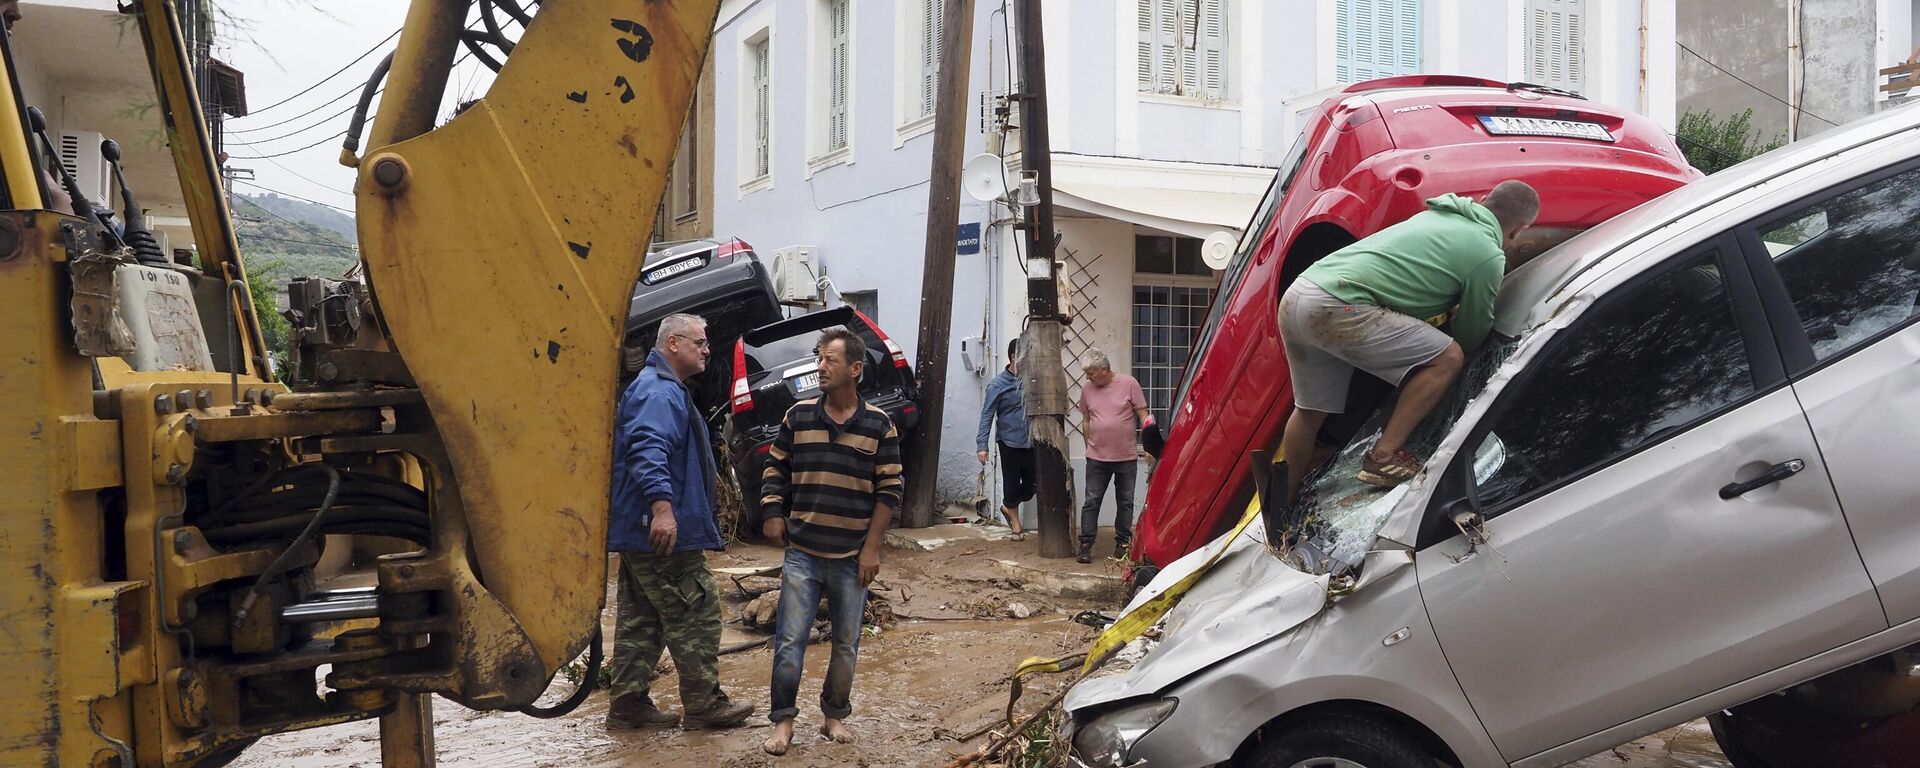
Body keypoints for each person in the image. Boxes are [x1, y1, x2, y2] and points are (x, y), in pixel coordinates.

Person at [1277, 180, 1540, 505]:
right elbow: (1471, 336)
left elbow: (1406, 281)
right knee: (1449, 358)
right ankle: (1384, 455)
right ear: (1520, 229)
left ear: (1483, 200)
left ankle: (1282, 503)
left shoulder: (1433, 217)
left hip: (1301, 293)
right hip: (1338, 305)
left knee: (1310, 411)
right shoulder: (1487, 255)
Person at [605, 313, 755, 731]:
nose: (707, 349)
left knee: (643, 618)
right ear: (673, 343)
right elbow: (647, 449)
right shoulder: (658, 393)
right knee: (699, 609)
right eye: (700, 342)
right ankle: (704, 704)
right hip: (658, 528)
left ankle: (628, 705)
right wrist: (663, 509)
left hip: (641, 531)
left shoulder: (661, 388)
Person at [759, 327, 904, 756]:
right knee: (789, 640)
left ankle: (833, 716)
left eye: (829, 360)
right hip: (802, 551)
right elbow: (775, 469)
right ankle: (783, 722)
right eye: (819, 358)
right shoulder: (798, 416)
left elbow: (890, 490)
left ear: (855, 369)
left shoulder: (880, 425)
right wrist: (772, 512)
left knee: (846, 643)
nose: (820, 367)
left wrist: (872, 548)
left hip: (850, 557)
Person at [1075, 350, 1151, 564]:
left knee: (1125, 502)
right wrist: (1088, 445)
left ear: (1104, 370)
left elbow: (1143, 413)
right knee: (1091, 501)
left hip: (1126, 456)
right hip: (1096, 457)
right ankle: (1086, 544)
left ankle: (1123, 544)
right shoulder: (1087, 389)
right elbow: (1087, 419)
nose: (1088, 378)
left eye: (1091, 373)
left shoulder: (1129, 384)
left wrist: (1148, 444)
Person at [976, 338, 1032, 540]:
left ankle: (1007, 507)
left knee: (1031, 485)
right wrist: (982, 445)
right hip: (1009, 441)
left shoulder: (1031, 380)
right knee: (1011, 483)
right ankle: (1016, 524)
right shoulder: (997, 385)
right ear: (1013, 357)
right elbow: (986, 415)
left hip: (1031, 440)